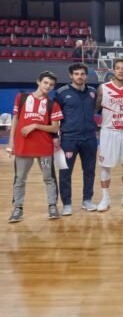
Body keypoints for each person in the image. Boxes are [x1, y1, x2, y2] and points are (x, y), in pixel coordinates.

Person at [7, 71, 63, 223]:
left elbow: (54, 128)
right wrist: (11, 142)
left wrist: (35, 125)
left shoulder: (53, 105)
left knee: (49, 178)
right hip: (23, 146)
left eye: (51, 85)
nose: (48, 86)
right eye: (45, 82)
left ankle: (52, 206)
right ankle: (17, 208)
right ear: (38, 81)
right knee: (20, 178)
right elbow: (15, 120)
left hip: (44, 148)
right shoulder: (22, 98)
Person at [55, 63, 98, 216]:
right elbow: (54, 116)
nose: (80, 77)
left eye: (82, 74)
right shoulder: (61, 93)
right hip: (69, 139)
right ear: (71, 75)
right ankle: (67, 204)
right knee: (65, 173)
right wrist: (55, 136)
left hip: (90, 138)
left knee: (90, 171)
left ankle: (87, 200)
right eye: (76, 74)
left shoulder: (93, 92)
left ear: (86, 75)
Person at [95, 58, 123, 211]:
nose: (120, 70)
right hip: (109, 131)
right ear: (113, 70)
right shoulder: (103, 88)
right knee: (105, 167)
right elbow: (96, 108)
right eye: (118, 68)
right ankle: (105, 199)